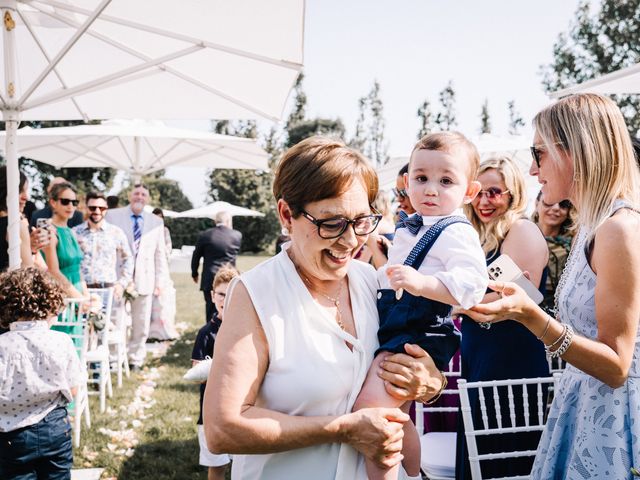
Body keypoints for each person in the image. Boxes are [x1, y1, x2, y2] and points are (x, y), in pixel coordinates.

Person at [204, 136, 446, 480]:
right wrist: (342, 429)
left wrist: (430, 383)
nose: (350, 241)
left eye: (362, 221)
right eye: (331, 223)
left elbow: (418, 364)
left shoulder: (375, 282)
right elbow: (222, 429)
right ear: (287, 214)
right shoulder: (256, 294)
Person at [463, 93, 640, 479]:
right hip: (580, 406)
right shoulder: (593, 227)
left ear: (575, 151)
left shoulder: (620, 229)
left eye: (538, 153)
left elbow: (616, 366)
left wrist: (532, 318)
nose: (531, 168)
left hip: (614, 419)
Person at [354, 131, 488, 480]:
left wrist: (422, 283)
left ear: (469, 192)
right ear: (406, 181)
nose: (430, 189)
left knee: (370, 413)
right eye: (421, 178)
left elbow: (472, 287)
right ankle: (413, 475)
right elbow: (391, 276)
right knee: (397, 414)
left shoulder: (457, 231)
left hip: (421, 331)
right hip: (398, 322)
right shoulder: (410, 228)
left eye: (446, 181)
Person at [455, 156, 550, 479]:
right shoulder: (475, 236)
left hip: (512, 362)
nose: (484, 200)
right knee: (478, 453)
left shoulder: (522, 230)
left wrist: (450, 301)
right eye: (478, 192)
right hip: (479, 358)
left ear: (513, 194)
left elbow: (509, 301)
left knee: (507, 458)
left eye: (494, 192)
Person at [0, 267, 83, 479]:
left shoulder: (2, 346)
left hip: (11, 433)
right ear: (51, 303)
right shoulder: (61, 341)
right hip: (54, 428)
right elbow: (73, 388)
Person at [106, 183, 167, 371]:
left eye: (143, 194)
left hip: (145, 280)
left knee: (141, 324)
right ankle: (114, 358)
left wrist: (160, 282)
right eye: (136, 193)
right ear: (129, 196)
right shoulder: (113, 216)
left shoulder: (156, 222)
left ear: (147, 198)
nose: (139, 197)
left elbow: (160, 255)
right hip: (118, 278)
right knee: (115, 320)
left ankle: (136, 359)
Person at [192, 264, 239, 480]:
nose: (225, 299)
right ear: (212, 296)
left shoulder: (246, 330)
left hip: (242, 411)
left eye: (231, 294)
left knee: (243, 465)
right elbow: (196, 374)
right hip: (212, 413)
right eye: (221, 294)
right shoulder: (206, 333)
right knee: (218, 467)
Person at [73, 191, 134, 298]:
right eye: (92, 208)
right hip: (81, 291)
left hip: (108, 292)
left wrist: (122, 284)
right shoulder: (75, 232)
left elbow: (128, 258)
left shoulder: (116, 232)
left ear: (106, 209)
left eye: (101, 208)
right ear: (87, 208)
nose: (97, 211)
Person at [191, 211, 242, 323]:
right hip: (229, 278)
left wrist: (194, 273)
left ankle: (211, 335)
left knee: (210, 309)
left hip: (210, 277)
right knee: (230, 307)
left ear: (215, 221)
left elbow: (196, 256)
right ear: (228, 221)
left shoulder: (205, 235)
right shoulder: (236, 235)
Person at [531, 191, 575, 312]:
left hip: (559, 309)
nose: (556, 208)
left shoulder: (575, 244)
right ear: (536, 203)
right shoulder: (518, 235)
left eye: (563, 205)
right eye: (549, 202)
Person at [41, 182, 86, 298]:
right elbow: (53, 271)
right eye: (65, 201)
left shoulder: (71, 232)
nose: (70, 206)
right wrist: (79, 298)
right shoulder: (49, 232)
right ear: (53, 202)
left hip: (77, 293)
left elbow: (78, 269)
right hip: (61, 295)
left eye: (74, 202)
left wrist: (86, 295)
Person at [149, 207, 178, 341]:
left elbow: (168, 249)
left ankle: (164, 328)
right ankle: (151, 330)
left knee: (163, 299)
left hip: (162, 267)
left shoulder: (165, 231)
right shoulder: (148, 231)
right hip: (150, 267)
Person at [0, 167, 34, 270]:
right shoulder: (16, 226)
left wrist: (31, 249)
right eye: (19, 191)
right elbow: (28, 272)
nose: (26, 197)